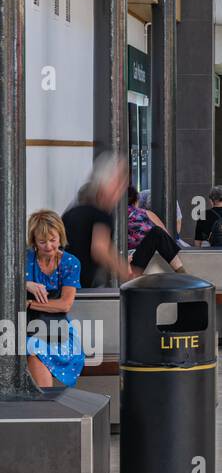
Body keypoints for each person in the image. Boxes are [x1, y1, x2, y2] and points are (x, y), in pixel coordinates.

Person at [24, 210, 85, 388]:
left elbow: (65, 305)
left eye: (53, 240)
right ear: (34, 241)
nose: (49, 246)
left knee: (34, 347)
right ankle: (46, 404)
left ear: (61, 236)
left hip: (58, 329)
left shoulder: (70, 262)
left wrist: (28, 303)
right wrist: (25, 284)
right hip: (24, 327)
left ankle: (45, 403)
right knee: (32, 346)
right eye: (42, 242)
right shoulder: (23, 259)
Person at [62, 156, 137, 288]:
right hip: (78, 285)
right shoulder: (99, 214)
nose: (121, 190)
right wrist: (127, 274)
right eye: (118, 183)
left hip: (59, 283)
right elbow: (100, 249)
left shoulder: (74, 210)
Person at [125, 186, 187, 275]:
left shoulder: (114, 217)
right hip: (135, 262)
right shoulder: (146, 213)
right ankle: (182, 273)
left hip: (122, 262)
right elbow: (165, 235)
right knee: (157, 232)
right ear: (136, 200)